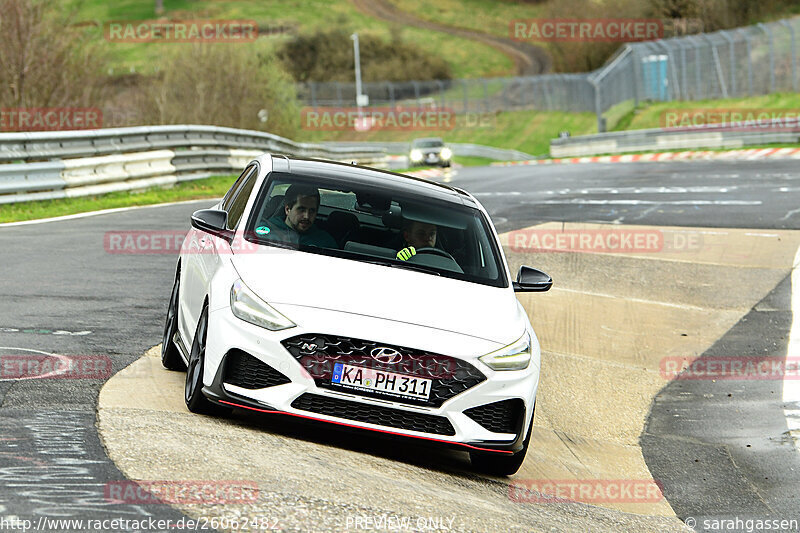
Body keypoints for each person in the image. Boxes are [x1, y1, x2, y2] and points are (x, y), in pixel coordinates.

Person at [263, 184, 337, 248]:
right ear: (287, 209)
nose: (307, 216)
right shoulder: (265, 230)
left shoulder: (325, 242)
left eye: (312, 211)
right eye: (301, 209)